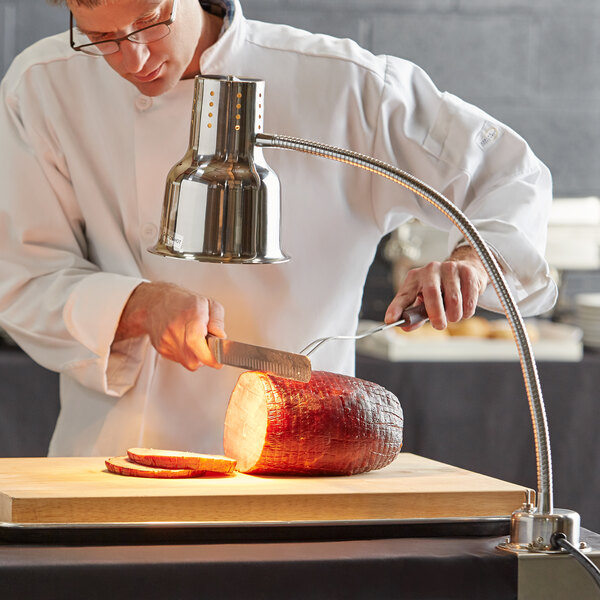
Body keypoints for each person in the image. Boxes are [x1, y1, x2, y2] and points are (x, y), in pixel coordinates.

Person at [0, 0, 557, 456]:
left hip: (302, 463)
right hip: (111, 464)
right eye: (101, 36)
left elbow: (511, 176)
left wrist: (470, 263)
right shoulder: (44, 87)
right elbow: (22, 278)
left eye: (151, 21)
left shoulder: (343, 86)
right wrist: (137, 307)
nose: (133, 58)